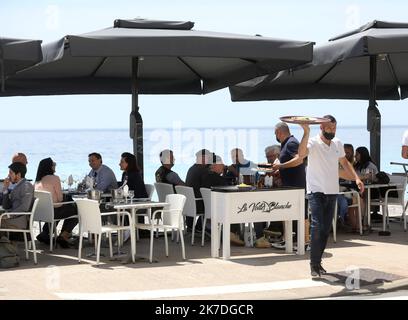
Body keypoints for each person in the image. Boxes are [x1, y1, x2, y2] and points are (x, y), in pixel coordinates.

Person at [298, 115, 364, 277]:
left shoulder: (337, 143)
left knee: (325, 229)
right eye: (329, 128)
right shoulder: (313, 142)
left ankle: (318, 263)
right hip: (316, 191)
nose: (332, 131)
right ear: (321, 127)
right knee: (317, 226)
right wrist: (306, 131)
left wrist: (356, 178)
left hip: (332, 191)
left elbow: (345, 163)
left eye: (334, 128)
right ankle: (313, 265)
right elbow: (300, 155)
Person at [271, 122, 308, 249]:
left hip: (296, 185)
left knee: (301, 214)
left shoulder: (291, 143)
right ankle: (287, 240)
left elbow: (299, 159)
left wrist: (280, 166)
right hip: (289, 184)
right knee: (286, 212)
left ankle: (305, 241)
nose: (276, 136)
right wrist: (280, 169)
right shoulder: (285, 143)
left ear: (279, 132)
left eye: (276, 133)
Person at [34, 158, 78, 248]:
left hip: (41, 213)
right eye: (53, 164)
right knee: (77, 210)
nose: (55, 165)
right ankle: (63, 236)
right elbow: (60, 198)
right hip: (53, 212)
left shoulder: (36, 181)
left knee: (60, 206)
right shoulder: (54, 178)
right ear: (49, 167)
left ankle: (45, 232)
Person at [1, 162, 34, 231]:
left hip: (19, 221)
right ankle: (4, 239)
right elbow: (6, 206)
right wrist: (5, 190)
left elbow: (25, 207)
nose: (8, 175)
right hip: (13, 218)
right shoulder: (17, 186)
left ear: (18, 174)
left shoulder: (26, 185)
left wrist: (9, 215)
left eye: (11, 173)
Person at [185, 149, 212, 231]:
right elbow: (209, 186)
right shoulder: (203, 171)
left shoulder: (192, 169)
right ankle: (202, 227)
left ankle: (191, 226)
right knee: (214, 203)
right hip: (197, 204)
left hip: (189, 204)